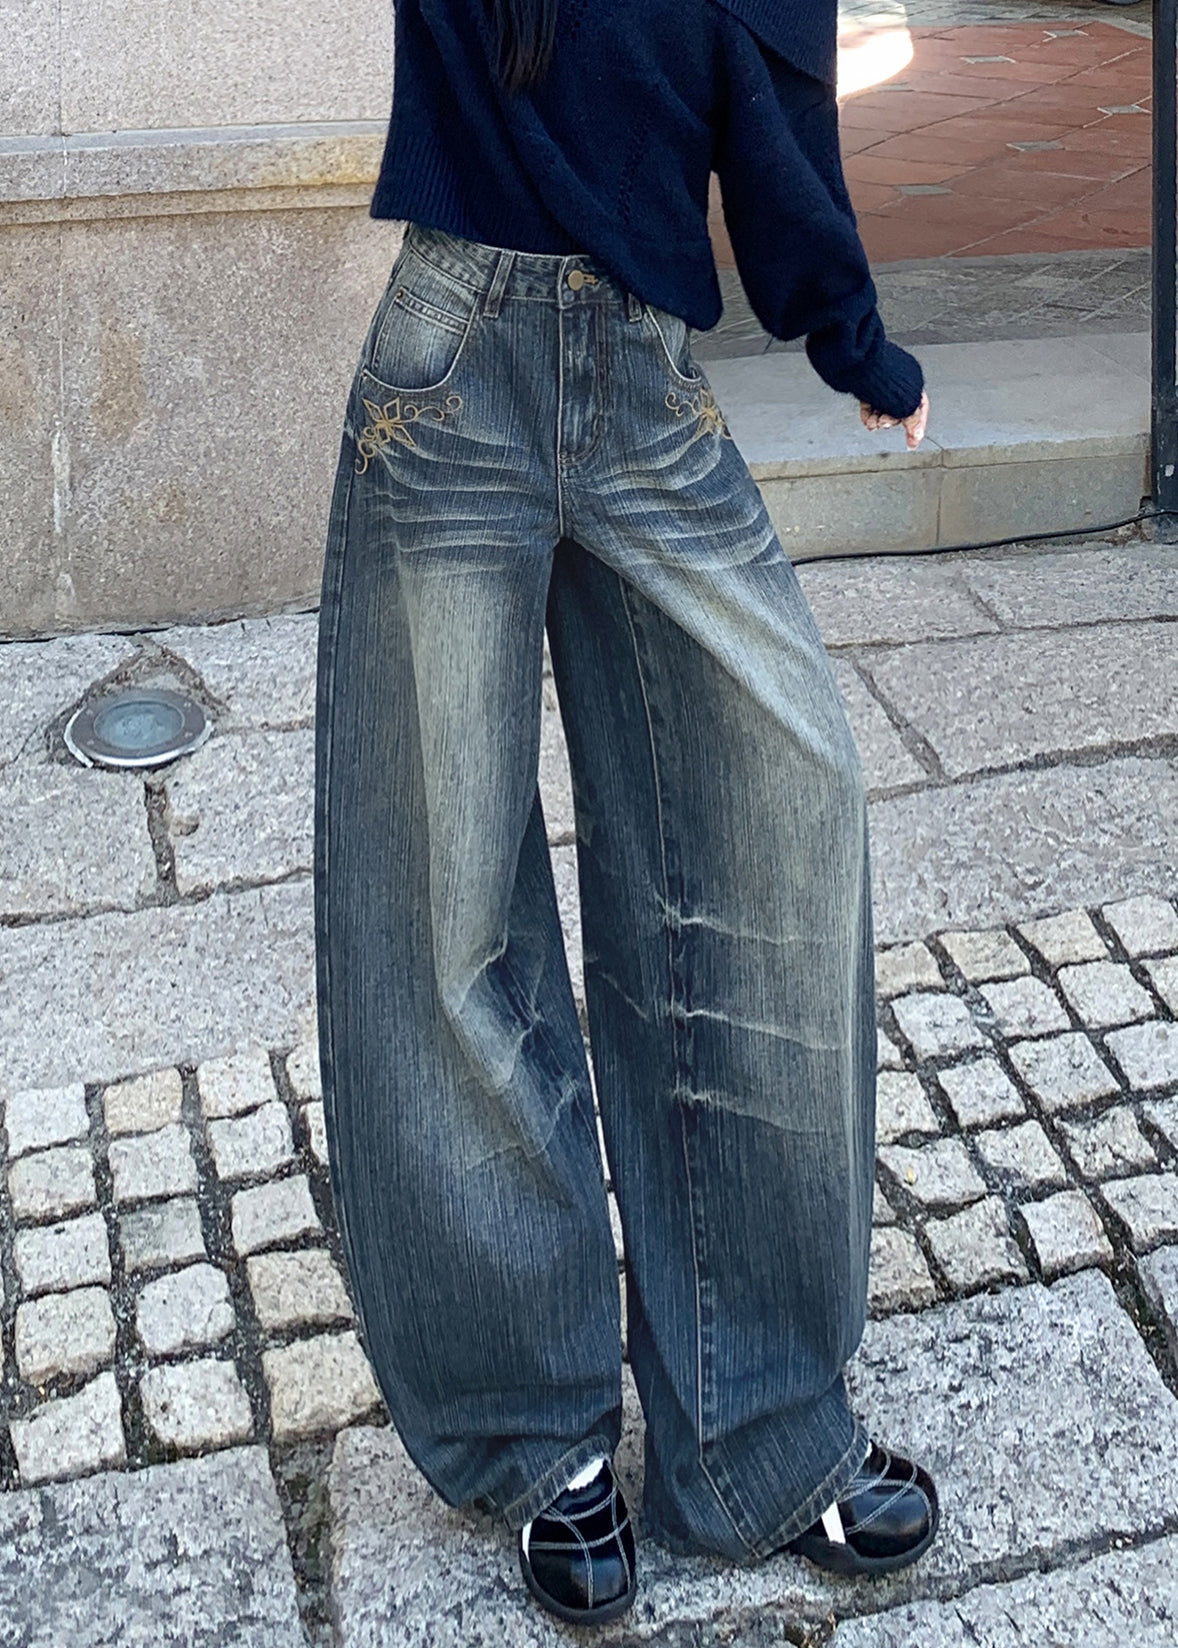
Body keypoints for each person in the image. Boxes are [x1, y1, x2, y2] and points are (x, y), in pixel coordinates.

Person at [313, 0, 937, 1628]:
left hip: (647, 383)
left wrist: (851, 336)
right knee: (439, 906)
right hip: (450, 365)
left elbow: (770, 112)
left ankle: (757, 1430)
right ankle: (535, 1433)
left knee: (781, 819)